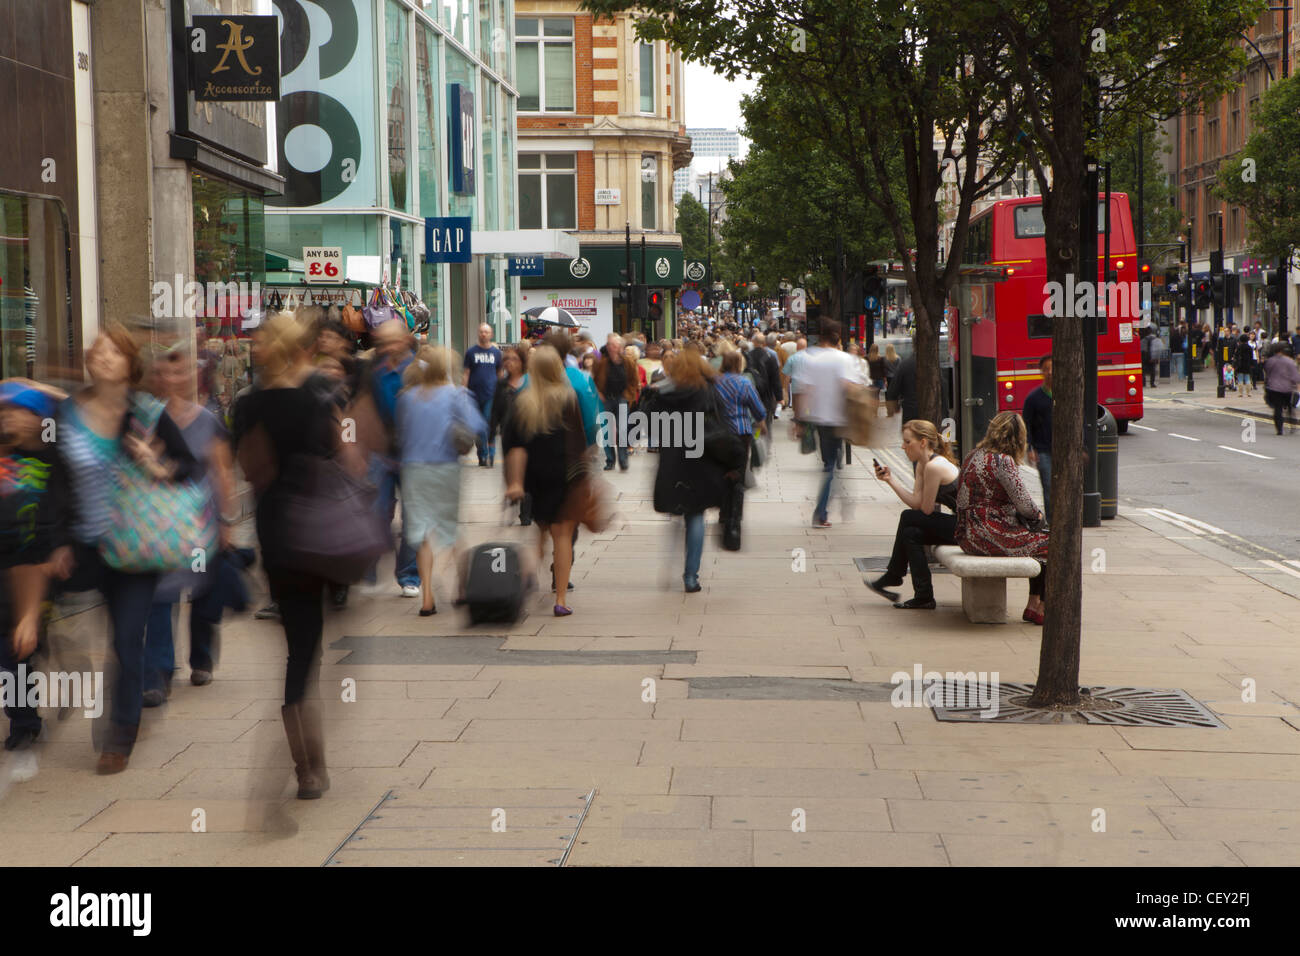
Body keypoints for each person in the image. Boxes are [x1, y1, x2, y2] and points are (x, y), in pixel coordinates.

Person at [56, 324, 201, 774]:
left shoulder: (146, 413)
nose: (102, 357)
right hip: (82, 544)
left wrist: (156, 466)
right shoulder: (65, 413)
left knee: (125, 638)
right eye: (97, 351)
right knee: (51, 628)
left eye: (113, 352)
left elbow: (189, 469)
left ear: (129, 364)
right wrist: (57, 539)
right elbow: (53, 479)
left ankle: (121, 732)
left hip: (135, 544)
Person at [232, 314, 361, 801]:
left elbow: (250, 469)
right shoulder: (320, 395)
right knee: (309, 650)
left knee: (297, 648)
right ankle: (313, 765)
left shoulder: (249, 405)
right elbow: (347, 454)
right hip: (322, 532)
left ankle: (306, 766)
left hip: (279, 533)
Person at [141, 347, 237, 705]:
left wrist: (227, 520)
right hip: (159, 523)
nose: (168, 379)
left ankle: (201, 657)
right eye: (161, 373)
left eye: (176, 372)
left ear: (189, 377)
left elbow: (222, 471)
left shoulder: (207, 419)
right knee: (161, 594)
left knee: (201, 592)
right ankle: (159, 672)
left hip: (200, 522)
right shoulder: (144, 418)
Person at [0, 380, 71, 782]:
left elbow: (77, 407)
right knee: (10, 648)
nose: (9, 417)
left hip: (40, 568)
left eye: (18, 410)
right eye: (4, 412)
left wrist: (34, 385)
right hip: (5, 566)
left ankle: (24, 722)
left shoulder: (54, 457)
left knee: (19, 647)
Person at [397, 346, 484, 616]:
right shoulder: (456, 395)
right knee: (452, 530)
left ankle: (427, 599)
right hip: (445, 468)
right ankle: (461, 589)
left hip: (413, 470)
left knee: (421, 536)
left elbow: (401, 434)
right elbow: (477, 425)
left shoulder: (406, 397)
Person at [503, 346, 589, 616]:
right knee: (562, 536)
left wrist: (515, 482)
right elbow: (578, 441)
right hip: (564, 475)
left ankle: (528, 574)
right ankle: (560, 600)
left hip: (535, 478)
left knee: (540, 531)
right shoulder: (568, 397)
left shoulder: (523, 401)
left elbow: (514, 445)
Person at [641, 346, 729, 592]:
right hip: (701, 459)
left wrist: (649, 398)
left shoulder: (664, 393)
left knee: (676, 515)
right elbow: (722, 425)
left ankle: (669, 565)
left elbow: (646, 426)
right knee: (696, 515)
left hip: (673, 459)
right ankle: (691, 576)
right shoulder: (708, 391)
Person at [954, 411, 1049, 624]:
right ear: (1018, 438)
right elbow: (1025, 506)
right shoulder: (1002, 461)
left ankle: (1034, 603)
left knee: (1039, 541)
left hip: (966, 535)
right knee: (1051, 543)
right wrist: (1039, 515)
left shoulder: (973, 454)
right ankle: (1041, 606)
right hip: (990, 535)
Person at [352, 319, 420, 597]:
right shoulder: (372, 370)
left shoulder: (419, 371)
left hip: (413, 453)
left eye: (392, 341)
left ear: (405, 340)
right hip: (379, 453)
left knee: (413, 519)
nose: (387, 347)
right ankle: (367, 573)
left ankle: (409, 576)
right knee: (375, 513)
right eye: (382, 343)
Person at [866, 421, 960, 609]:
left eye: (907, 442)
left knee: (908, 517)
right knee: (910, 533)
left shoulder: (935, 466)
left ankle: (893, 575)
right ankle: (924, 596)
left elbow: (924, 510)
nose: (903, 446)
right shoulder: (922, 466)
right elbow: (917, 503)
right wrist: (890, 480)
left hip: (968, 528)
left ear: (923, 443)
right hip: (957, 525)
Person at [793, 321, 858, 529]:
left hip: (819, 420)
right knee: (831, 466)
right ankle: (821, 512)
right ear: (837, 335)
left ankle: (832, 504)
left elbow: (803, 390)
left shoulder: (812, 358)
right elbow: (848, 386)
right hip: (837, 418)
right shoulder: (843, 359)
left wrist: (800, 420)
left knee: (831, 463)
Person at [715, 350, 767, 549]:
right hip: (741, 434)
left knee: (721, 471)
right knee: (738, 476)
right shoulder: (744, 383)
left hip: (718, 435)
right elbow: (758, 409)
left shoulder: (715, 382)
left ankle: (722, 512)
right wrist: (762, 425)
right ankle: (734, 520)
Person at [489, 345, 532, 525]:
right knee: (510, 471)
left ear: (522, 362)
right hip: (507, 435)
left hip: (528, 434)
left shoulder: (530, 382)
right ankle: (514, 495)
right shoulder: (501, 384)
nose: (509, 363)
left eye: (514, 359)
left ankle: (526, 513)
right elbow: (495, 411)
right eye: (506, 359)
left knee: (528, 473)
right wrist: (490, 435)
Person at [593, 333, 639, 471]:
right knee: (606, 431)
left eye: (614, 345)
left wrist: (627, 396)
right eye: (609, 345)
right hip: (606, 399)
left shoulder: (628, 363)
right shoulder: (602, 363)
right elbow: (594, 380)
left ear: (620, 347)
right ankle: (610, 460)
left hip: (621, 398)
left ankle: (623, 459)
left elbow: (633, 381)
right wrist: (599, 393)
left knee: (622, 429)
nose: (611, 347)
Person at [463, 323, 503, 468]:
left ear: (491, 334)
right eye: (481, 332)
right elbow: (466, 372)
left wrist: (501, 391)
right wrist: (464, 390)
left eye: (486, 332)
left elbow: (500, 374)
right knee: (478, 426)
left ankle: (489, 452)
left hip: (491, 394)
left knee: (487, 423)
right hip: (474, 395)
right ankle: (482, 453)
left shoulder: (496, 353)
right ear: (478, 334)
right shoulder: (471, 352)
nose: (483, 334)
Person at [1022, 355, 1053, 522]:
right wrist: (1029, 449)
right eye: (1046, 369)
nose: (1049, 372)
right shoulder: (1033, 398)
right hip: (1043, 450)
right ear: (1041, 371)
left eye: (1052, 368)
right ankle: (1051, 521)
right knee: (1048, 487)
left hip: (1064, 451)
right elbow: (1026, 424)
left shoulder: (1068, 396)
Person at [1262, 344, 1300, 435]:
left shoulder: (1270, 361)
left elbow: (1267, 373)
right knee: (1290, 406)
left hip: (1274, 388)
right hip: (1287, 388)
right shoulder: (1290, 361)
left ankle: (1279, 429)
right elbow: (1295, 376)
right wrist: (1296, 384)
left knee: (1277, 408)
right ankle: (1292, 423)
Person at [885, 350, 919, 425]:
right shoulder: (933, 364)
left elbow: (892, 391)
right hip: (930, 410)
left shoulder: (905, 364)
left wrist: (895, 406)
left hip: (910, 409)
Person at [1234, 334, 1255, 398]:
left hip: (1240, 364)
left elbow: (1236, 356)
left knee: (1240, 379)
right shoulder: (1249, 348)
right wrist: (1252, 364)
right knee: (1247, 379)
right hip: (1247, 364)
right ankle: (1248, 393)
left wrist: (1235, 364)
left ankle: (1240, 393)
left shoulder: (1239, 347)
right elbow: (1251, 357)